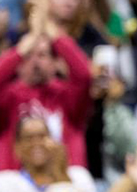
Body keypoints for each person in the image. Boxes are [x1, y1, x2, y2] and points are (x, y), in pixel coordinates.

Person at [0, 17, 92, 170]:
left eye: (42, 55)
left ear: (55, 63)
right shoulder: (9, 97)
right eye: (29, 55)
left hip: (64, 181)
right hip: (17, 181)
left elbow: (84, 75)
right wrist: (18, 51)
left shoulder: (67, 95)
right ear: (18, 64)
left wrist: (55, 36)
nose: (35, 62)